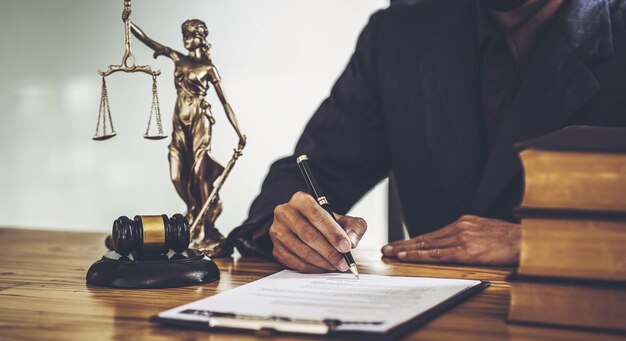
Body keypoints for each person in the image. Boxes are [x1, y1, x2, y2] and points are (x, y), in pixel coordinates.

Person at [228, 0, 626, 273]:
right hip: (424, 338)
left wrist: (537, 242)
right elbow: (312, 173)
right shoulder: (400, 33)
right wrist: (289, 226)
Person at [128, 16, 246, 252]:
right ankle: (195, 209)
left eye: (190, 35)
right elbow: (149, 41)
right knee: (176, 173)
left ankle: (203, 229)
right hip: (178, 121)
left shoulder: (208, 67)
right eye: (184, 35)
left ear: (201, 37)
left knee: (199, 173)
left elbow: (225, 103)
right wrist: (127, 21)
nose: (186, 40)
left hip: (200, 119)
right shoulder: (177, 58)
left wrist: (239, 133)